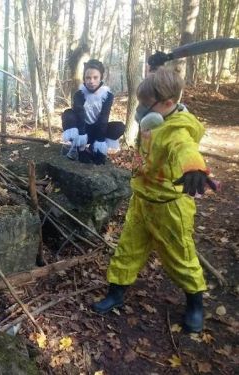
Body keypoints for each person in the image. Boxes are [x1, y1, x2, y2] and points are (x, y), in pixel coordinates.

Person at [92, 68, 217, 333]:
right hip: (142, 200)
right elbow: (144, 153)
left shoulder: (177, 130)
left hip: (169, 208)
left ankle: (195, 303)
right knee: (128, 248)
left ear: (169, 103)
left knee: (180, 256)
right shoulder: (153, 121)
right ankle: (116, 292)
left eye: (145, 105)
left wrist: (194, 168)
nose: (140, 109)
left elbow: (185, 149)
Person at [62, 59, 125, 165]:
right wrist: (81, 147)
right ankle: (80, 149)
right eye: (88, 78)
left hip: (98, 130)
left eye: (95, 77)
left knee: (119, 127)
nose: (91, 81)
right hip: (83, 130)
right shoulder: (79, 94)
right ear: (84, 78)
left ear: (101, 78)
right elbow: (80, 117)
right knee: (68, 114)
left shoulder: (107, 96)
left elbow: (104, 118)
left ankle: (93, 148)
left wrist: (100, 144)